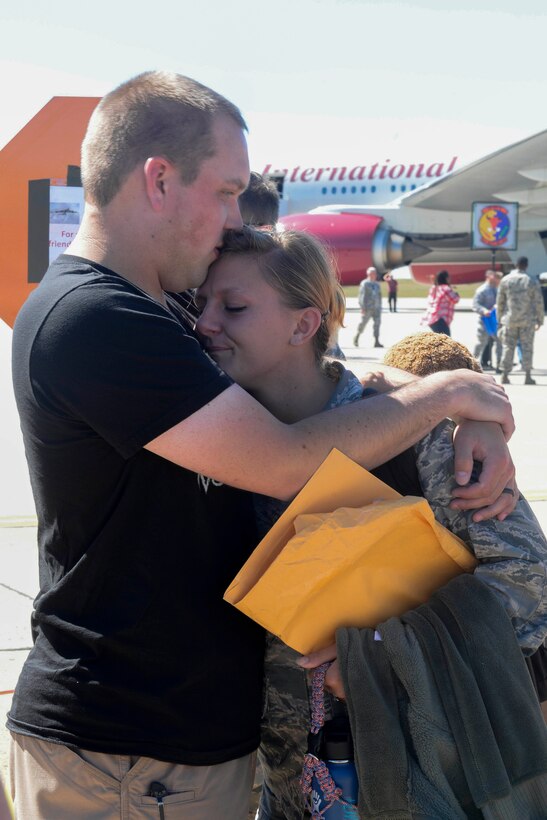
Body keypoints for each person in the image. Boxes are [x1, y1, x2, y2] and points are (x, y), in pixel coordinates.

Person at [9, 70, 515, 818]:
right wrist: (446, 396)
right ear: (158, 179)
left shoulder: (162, 309)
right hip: (128, 749)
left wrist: (464, 401)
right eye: (224, 192)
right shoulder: (96, 319)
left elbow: (302, 364)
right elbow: (284, 459)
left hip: (175, 748)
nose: (233, 217)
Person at [195, 231, 544, 820]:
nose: (204, 323)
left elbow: (527, 584)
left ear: (304, 325)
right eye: (200, 303)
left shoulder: (417, 435)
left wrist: (378, 656)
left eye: (233, 307)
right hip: (287, 788)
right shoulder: (218, 443)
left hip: (422, 782)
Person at [497, 256, 544, 385]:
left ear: (515, 265)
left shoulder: (506, 280)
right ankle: (527, 376)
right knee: (527, 347)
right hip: (527, 321)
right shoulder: (531, 280)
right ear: (526, 265)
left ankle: (505, 375)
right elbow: (538, 301)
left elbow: (500, 301)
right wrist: (540, 319)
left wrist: (499, 319)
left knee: (508, 347)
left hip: (510, 320)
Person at [472, 269, 503, 371]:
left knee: (500, 342)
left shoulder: (497, 289)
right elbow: (475, 304)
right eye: (495, 277)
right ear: (489, 277)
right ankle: (471, 364)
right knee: (481, 343)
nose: (497, 279)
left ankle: (499, 365)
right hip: (485, 321)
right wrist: (484, 310)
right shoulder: (482, 290)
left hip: (496, 321)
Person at [422, 269, 460, 335]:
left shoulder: (434, 288)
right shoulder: (445, 288)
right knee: (446, 339)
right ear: (446, 278)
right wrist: (456, 294)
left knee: (440, 338)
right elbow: (455, 299)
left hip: (431, 318)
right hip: (440, 319)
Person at [353, 266, 383, 347]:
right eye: (372, 273)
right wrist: (362, 307)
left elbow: (379, 296)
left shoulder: (377, 284)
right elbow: (362, 296)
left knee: (377, 324)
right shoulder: (365, 283)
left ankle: (376, 341)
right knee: (363, 323)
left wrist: (380, 306)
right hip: (367, 308)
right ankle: (357, 337)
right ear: (368, 274)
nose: (374, 275)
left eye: (375, 273)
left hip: (376, 308)